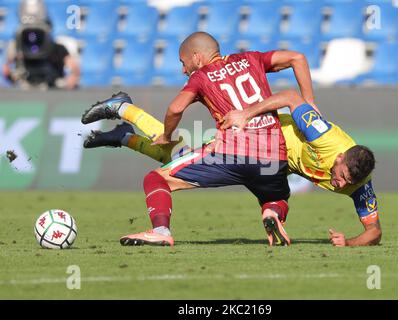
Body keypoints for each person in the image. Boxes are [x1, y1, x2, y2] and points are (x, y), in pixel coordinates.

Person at [81, 32, 317, 247]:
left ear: (196, 56)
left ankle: (161, 230)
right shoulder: (251, 59)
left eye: (183, 63)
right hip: (273, 155)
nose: (184, 70)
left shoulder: (201, 77)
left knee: (158, 176)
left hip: (232, 153)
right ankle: (272, 213)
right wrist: (308, 104)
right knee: (277, 197)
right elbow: (297, 57)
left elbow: (175, 109)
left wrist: (166, 134)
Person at [85, 89, 381, 247]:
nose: (341, 186)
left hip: (277, 166)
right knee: (179, 157)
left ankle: (124, 131)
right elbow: (292, 98)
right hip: (263, 139)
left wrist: (349, 243)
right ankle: (124, 114)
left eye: (347, 183)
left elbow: (374, 232)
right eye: (340, 177)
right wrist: (247, 114)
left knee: (178, 156)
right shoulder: (326, 137)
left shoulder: (359, 182)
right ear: (340, 158)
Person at [2, 0, 80, 89]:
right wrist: (15, 79)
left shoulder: (57, 49)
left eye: (39, 34)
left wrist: (67, 84)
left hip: (52, 89)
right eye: (28, 34)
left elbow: (74, 70)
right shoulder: (17, 47)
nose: (33, 39)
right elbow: (6, 70)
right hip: (26, 88)